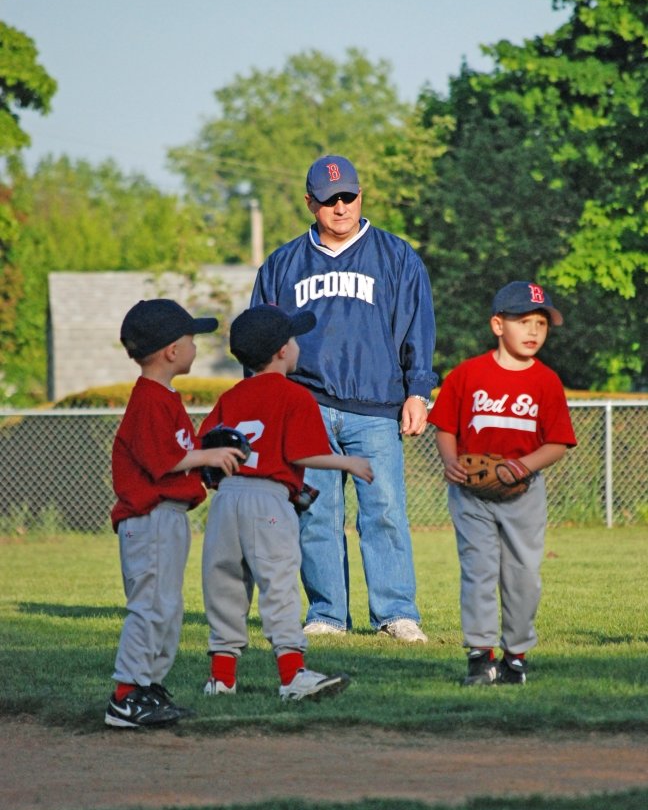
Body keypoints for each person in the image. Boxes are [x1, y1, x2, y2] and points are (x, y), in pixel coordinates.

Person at [249, 154, 437, 641]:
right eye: (329, 199)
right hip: (305, 407)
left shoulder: (396, 257)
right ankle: (328, 614)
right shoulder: (283, 264)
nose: (340, 207)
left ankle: (396, 613)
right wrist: (267, 402)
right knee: (316, 512)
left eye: (348, 196)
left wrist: (418, 391)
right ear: (309, 202)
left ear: (360, 195)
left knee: (386, 512)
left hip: (376, 409)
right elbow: (258, 338)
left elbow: (418, 327)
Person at [199, 304, 374, 701]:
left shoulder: (231, 396)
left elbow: (208, 446)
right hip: (268, 501)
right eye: (293, 340)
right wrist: (349, 461)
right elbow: (300, 454)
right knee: (278, 585)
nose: (297, 346)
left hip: (227, 500)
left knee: (225, 585)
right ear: (281, 351)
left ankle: (221, 679)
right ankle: (293, 675)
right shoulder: (295, 396)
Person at [105, 299, 246, 729]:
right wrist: (208, 453)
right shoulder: (149, 398)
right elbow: (162, 458)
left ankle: (146, 686)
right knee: (150, 606)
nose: (194, 346)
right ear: (171, 351)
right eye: (190, 339)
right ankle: (125, 696)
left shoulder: (162, 396)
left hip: (167, 516)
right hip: (149, 518)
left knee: (166, 607)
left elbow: (175, 457)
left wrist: (204, 461)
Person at [428, 281, 577, 685]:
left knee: (523, 574)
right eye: (523, 321)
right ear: (498, 324)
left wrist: (524, 466)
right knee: (478, 570)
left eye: (541, 324)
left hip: (524, 493)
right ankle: (480, 655)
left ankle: (516, 656)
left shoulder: (546, 381)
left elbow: (559, 442)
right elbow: (443, 425)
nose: (533, 331)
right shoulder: (467, 374)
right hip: (470, 492)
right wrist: (450, 462)